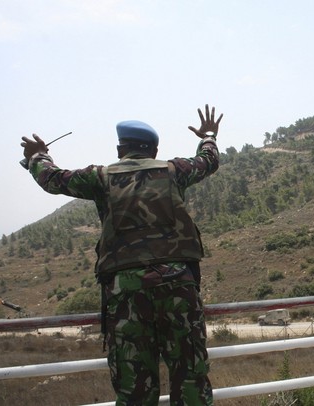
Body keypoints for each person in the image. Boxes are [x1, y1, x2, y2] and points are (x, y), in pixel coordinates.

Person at [20, 105, 222, 405]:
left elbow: (52, 178)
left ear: (119, 150)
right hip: (179, 286)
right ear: (154, 150)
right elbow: (208, 160)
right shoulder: (173, 171)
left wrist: (37, 156)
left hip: (125, 293)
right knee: (190, 378)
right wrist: (207, 136)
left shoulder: (101, 178)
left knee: (135, 387)